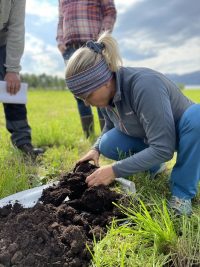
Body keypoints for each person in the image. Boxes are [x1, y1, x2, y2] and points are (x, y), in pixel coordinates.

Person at [65, 31, 200, 216]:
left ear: (103, 81)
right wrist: (95, 148)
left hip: (182, 133)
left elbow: (163, 148)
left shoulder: (144, 86)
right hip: (151, 134)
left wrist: (114, 170)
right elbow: (110, 125)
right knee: (108, 143)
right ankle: (154, 167)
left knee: (197, 118)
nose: (87, 103)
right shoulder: (108, 95)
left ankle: (181, 195)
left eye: (87, 96)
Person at [56, 0, 117, 138]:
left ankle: (106, 135)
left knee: (99, 89)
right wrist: (60, 41)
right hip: (70, 47)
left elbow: (110, 11)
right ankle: (88, 135)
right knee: (80, 94)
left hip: (93, 46)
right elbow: (60, 19)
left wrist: (101, 36)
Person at [0, 0, 43, 158]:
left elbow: (16, 28)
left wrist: (12, 70)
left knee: (13, 91)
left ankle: (22, 143)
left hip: (3, 43)